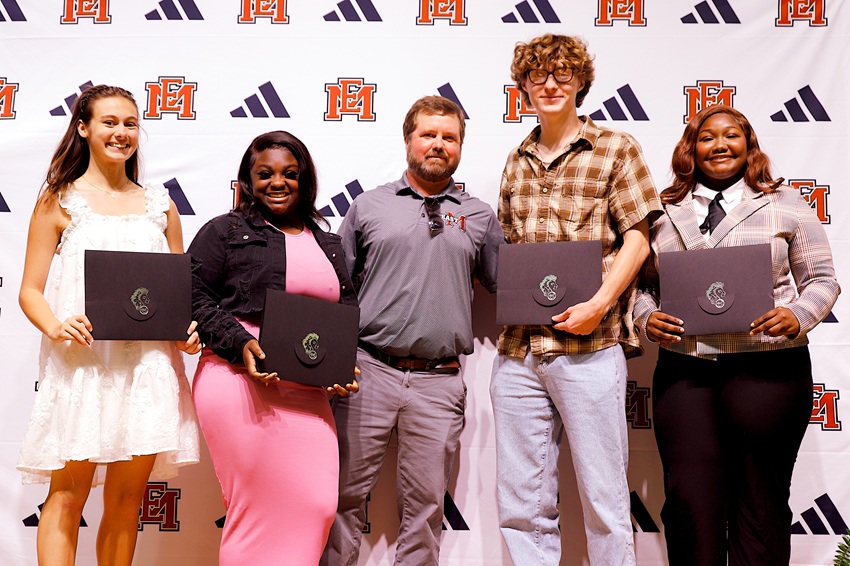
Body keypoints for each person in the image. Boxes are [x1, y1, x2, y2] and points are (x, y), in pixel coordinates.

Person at [634, 104, 840, 565]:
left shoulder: (785, 202)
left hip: (768, 370)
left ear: (749, 145)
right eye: (707, 137)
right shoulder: (662, 211)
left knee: (759, 503)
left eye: (732, 135)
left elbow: (823, 279)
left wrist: (798, 314)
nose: (720, 145)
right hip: (687, 373)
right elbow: (641, 287)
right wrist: (647, 318)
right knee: (689, 501)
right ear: (691, 148)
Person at [490, 34, 663, 565]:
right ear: (521, 87)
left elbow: (639, 237)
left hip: (591, 347)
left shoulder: (615, 147)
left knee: (606, 502)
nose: (549, 84)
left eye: (562, 74)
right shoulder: (515, 159)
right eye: (537, 75)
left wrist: (599, 305)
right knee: (521, 505)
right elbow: (511, 249)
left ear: (580, 83)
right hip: (519, 352)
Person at [17, 84, 201, 566]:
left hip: (146, 370)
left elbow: (175, 293)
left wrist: (187, 331)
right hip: (83, 366)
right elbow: (29, 291)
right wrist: (57, 326)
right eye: (110, 122)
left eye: (131, 124)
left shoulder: (160, 205)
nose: (122, 133)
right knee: (67, 498)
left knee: (125, 502)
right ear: (84, 128)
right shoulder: (59, 201)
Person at [321, 95, 505, 566]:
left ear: (460, 147)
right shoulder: (368, 207)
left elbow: (507, 285)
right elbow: (336, 288)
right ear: (409, 140)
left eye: (450, 137)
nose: (438, 145)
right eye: (429, 134)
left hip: (439, 381)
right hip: (367, 372)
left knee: (425, 508)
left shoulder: (477, 215)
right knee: (341, 499)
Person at [188, 130, 360, 566]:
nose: (277, 182)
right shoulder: (224, 231)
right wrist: (241, 342)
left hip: (308, 390)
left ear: (305, 181)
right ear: (248, 179)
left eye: (290, 174)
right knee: (256, 511)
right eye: (264, 174)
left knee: (318, 506)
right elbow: (192, 292)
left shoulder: (328, 242)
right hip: (237, 379)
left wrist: (341, 366)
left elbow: (343, 309)